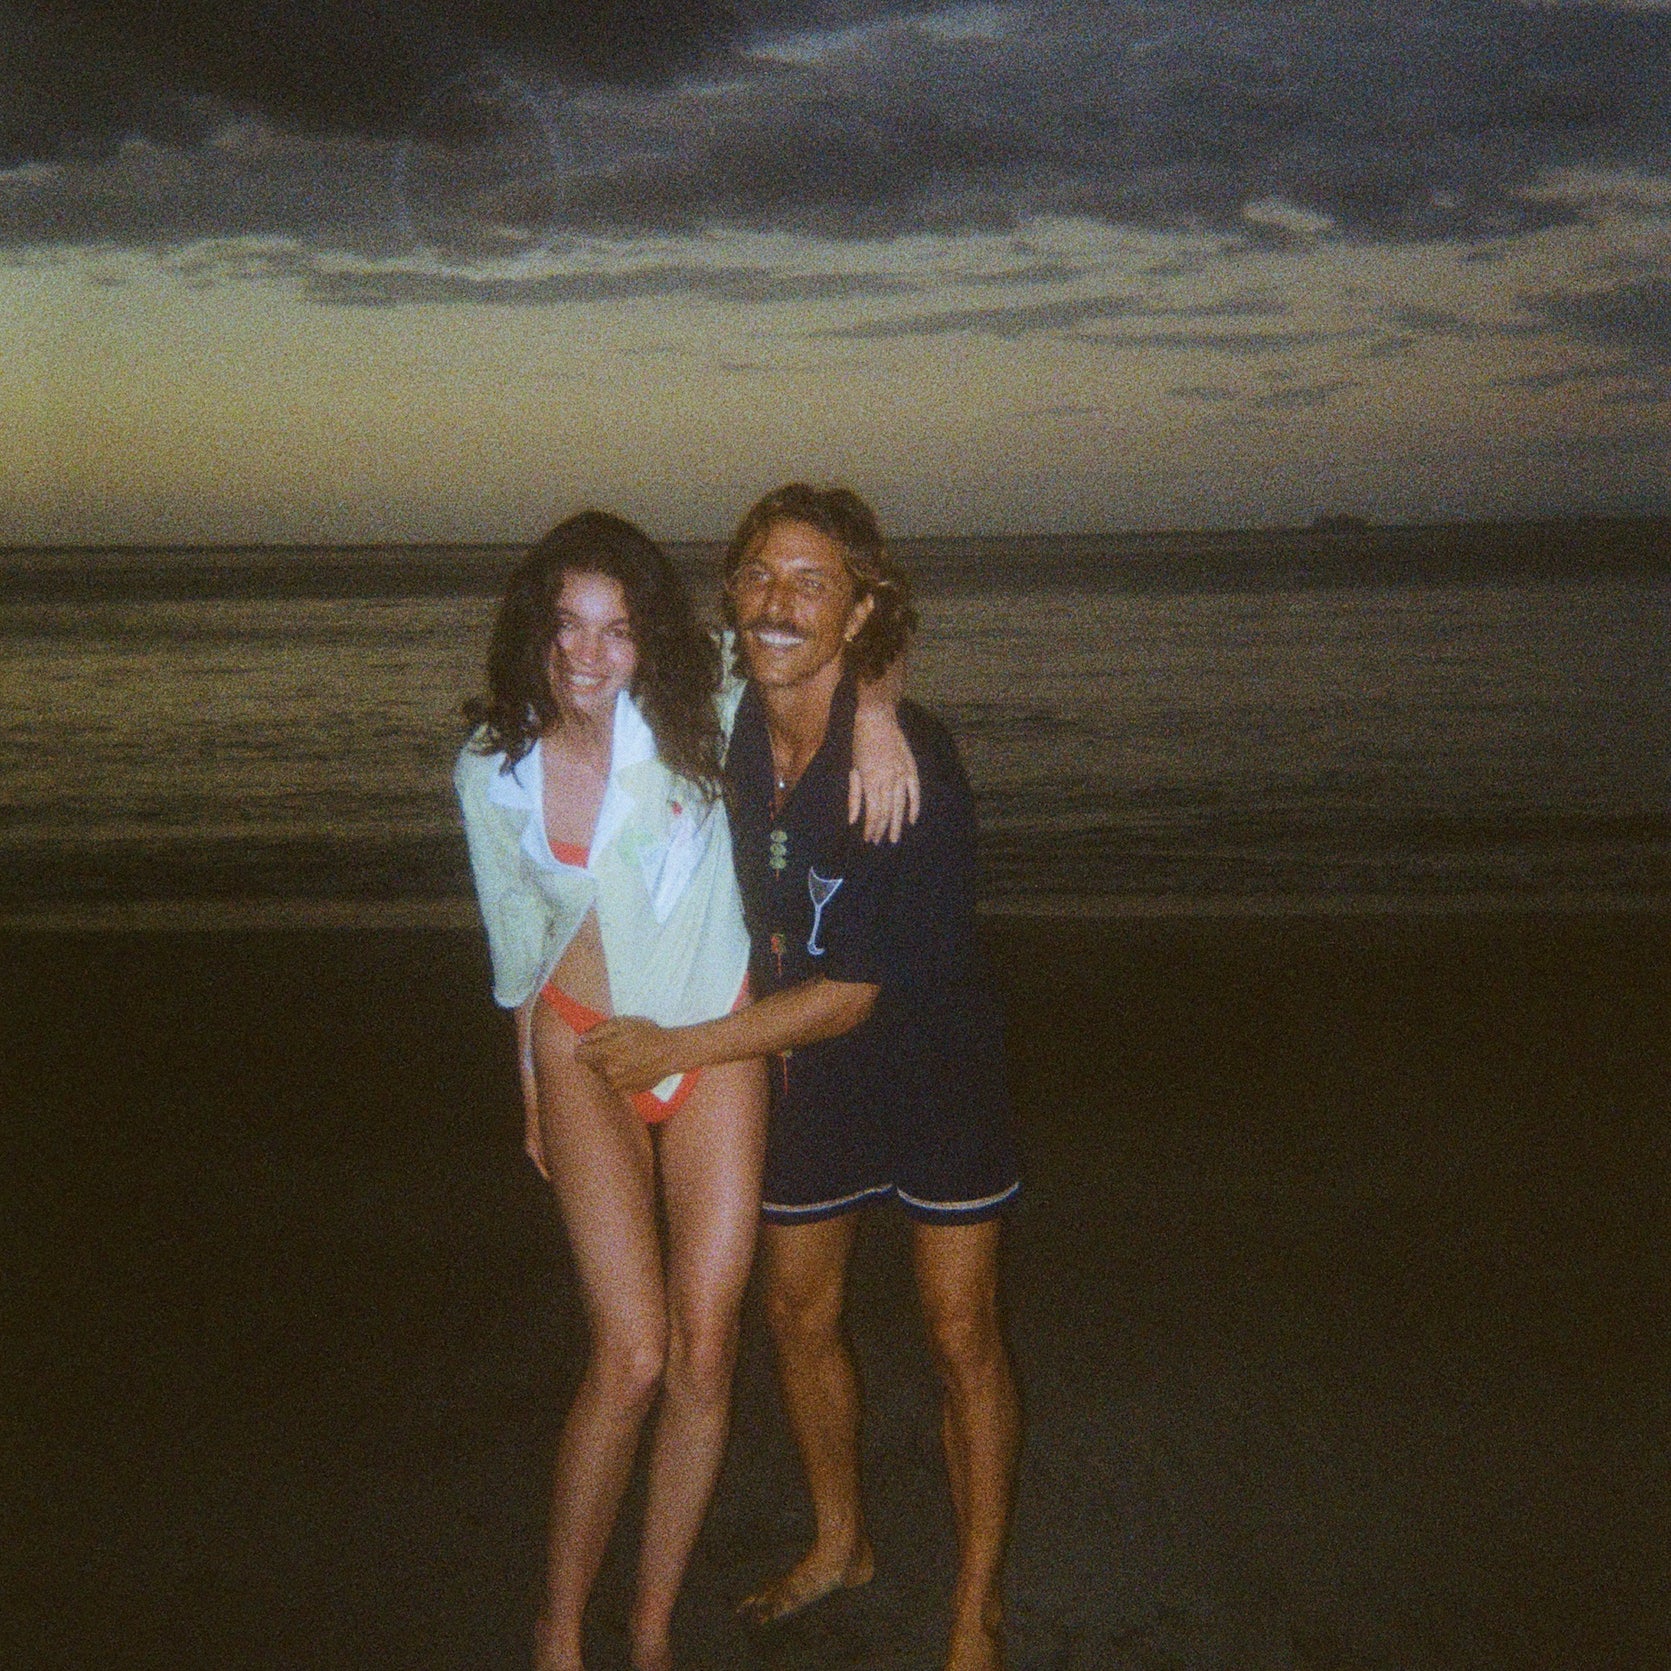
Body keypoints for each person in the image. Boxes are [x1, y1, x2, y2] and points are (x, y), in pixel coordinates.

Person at [454, 510, 915, 1671]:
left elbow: (838, 629)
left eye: (615, 628)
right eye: (566, 626)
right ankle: (560, 1634)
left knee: (709, 1357)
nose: (589, 654)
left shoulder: (699, 701)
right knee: (634, 1356)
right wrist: (528, 1082)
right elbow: (518, 942)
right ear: (536, 635)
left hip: (712, 1050)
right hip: (583, 1050)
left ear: (648, 635)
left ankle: (651, 1629)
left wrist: (880, 714)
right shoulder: (489, 769)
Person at [578, 485, 1022, 1671]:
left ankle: (974, 1608)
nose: (780, 602)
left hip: (932, 1066)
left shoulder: (900, 765)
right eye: (761, 575)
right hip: (798, 1068)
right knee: (795, 1313)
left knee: (958, 1330)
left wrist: (670, 1051)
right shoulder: (717, 708)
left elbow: (855, 995)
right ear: (729, 594)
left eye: (813, 580)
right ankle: (842, 1543)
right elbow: (577, 679)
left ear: (860, 604)